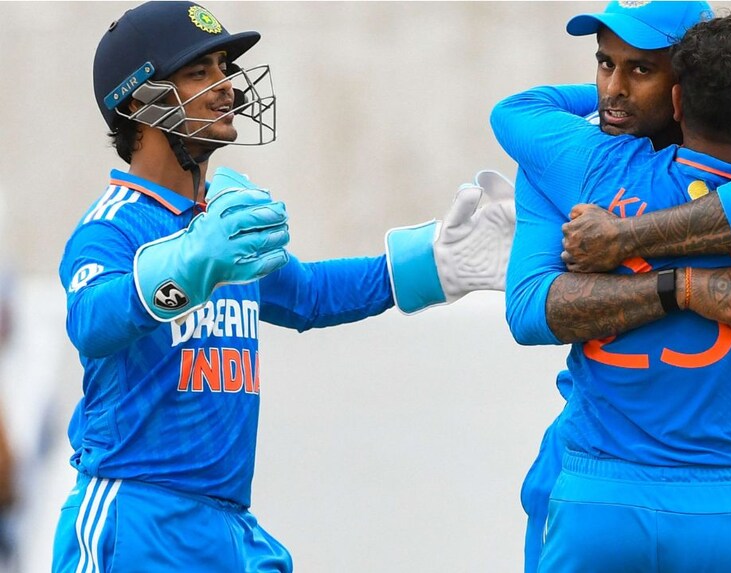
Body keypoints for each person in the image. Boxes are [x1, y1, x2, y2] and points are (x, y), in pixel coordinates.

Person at [50, 2, 514, 571]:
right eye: (199, 72)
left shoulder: (216, 224)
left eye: (224, 67)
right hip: (135, 519)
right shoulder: (113, 224)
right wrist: (188, 265)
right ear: (136, 103)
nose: (226, 86)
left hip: (225, 523)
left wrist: (436, 265)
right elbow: (91, 321)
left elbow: (307, 294)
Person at [492, 6, 731, 573]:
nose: (613, 90)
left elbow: (514, 111)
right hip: (716, 492)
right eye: (605, 64)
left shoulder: (580, 169)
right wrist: (683, 285)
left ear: (682, 87)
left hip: (599, 493)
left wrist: (622, 240)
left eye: (641, 70)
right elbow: (530, 310)